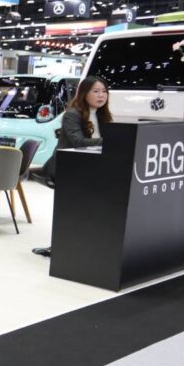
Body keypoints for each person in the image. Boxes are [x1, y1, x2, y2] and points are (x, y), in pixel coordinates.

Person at [33, 76, 112, 257]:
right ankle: (59, 247)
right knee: (69, 210)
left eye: (104, 91)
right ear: (84, 93)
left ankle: (84, 245)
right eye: (96, 91)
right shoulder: (72, 114)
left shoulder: (103, 115)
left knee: (90, 209)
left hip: (92, 168)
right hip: (68, 168)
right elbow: (78, 141)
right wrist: (111, 140)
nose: (101, 95)